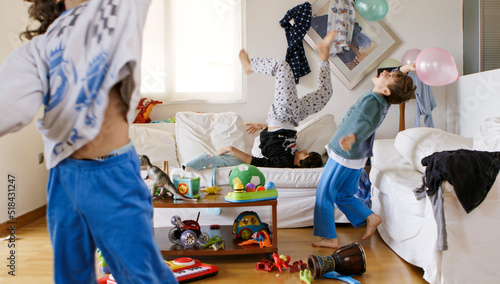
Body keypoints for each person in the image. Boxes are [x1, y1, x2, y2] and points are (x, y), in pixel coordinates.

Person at [0, 0, 177, 283]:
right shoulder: (40, 48)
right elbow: (10, 106)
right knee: (71, 274)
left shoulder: (119, 9)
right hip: (63, 177)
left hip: (113, 174)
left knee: (140, 272)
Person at [312, 64, 417, 249]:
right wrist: (405, 69)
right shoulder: (383, 101)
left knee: (324, 194)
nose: (384, 71)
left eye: (389, 74)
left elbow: (365, 123)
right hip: (357, 157)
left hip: (345, 153)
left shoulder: (373, 99)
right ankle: (371, 216)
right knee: (343, 195)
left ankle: (329, 237)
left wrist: (353, 137)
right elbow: (389, 92)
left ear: (385, 89)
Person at [218, 31, 338, 169]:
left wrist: (231, 149)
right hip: (294, 117)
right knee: (325, 94)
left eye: (306, 155)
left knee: (283, 68)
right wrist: (265, 128)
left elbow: (255, 161)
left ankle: (250, 66)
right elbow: (278, 139)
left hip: (282, 116)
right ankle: (324, 56)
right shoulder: (292, 153)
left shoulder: (283, 163)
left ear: (301, 164)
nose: (304, 151)